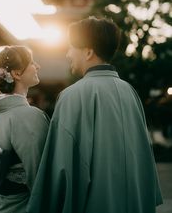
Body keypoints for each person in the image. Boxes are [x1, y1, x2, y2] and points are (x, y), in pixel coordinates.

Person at [27, 16, 163, 213]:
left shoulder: (72, 96)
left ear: (89, 51)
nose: (67, 54)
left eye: (71, 47)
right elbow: (144, 160)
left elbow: (61, 170)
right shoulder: (130, 92)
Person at [0, 45, 49, 213]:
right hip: (23, 205)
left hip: (0, 202)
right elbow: (39, 174)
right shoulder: (29, 115)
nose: (38, 66)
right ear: (17, 74)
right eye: (33, 62)